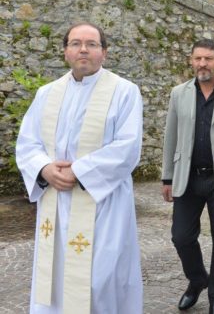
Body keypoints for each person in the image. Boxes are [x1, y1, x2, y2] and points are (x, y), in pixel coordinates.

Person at [16, 22, 143, 313]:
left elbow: (128, 147)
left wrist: (79, 171)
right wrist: (44, 169)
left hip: (103, 204)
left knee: (100, 279)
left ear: (104, 52)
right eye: (75, 43)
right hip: (55, 202)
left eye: (91, 44)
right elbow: (28, 143)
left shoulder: (124, 91)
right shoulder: (47, 93)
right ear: (65, 52)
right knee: (54, 276)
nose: (83, 49)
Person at [161, 39, 214, 314]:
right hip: (188, 177)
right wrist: (167, 178)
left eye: (208, 58)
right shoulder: (179, 93)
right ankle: (197, 280)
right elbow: (171, 135)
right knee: (181, 237)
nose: (202, 64)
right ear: (191, 60)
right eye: (197, 58)